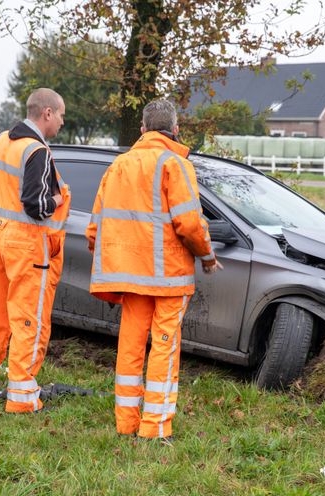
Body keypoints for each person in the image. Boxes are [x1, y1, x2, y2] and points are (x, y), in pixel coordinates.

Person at [86, 98, 223, 441]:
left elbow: (95, 226)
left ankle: (126, 422)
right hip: (168, 278)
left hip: (129, 276)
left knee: (130, 346)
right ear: (176, 130)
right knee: (164, 345)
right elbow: (190, 223)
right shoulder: (175, 165)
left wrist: (112, 258)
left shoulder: (118, 165)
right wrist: (206, 256)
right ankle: (155, 427)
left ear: (143, 129)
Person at [0, 88, 70, 413]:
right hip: (26, 243)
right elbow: (36, 205)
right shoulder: (37, 150)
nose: (62, 123)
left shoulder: (1, 140)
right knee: (29, 319)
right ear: (47, 113)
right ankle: (23, 399)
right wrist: (59, 198)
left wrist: (7, 200)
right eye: (61, 115)